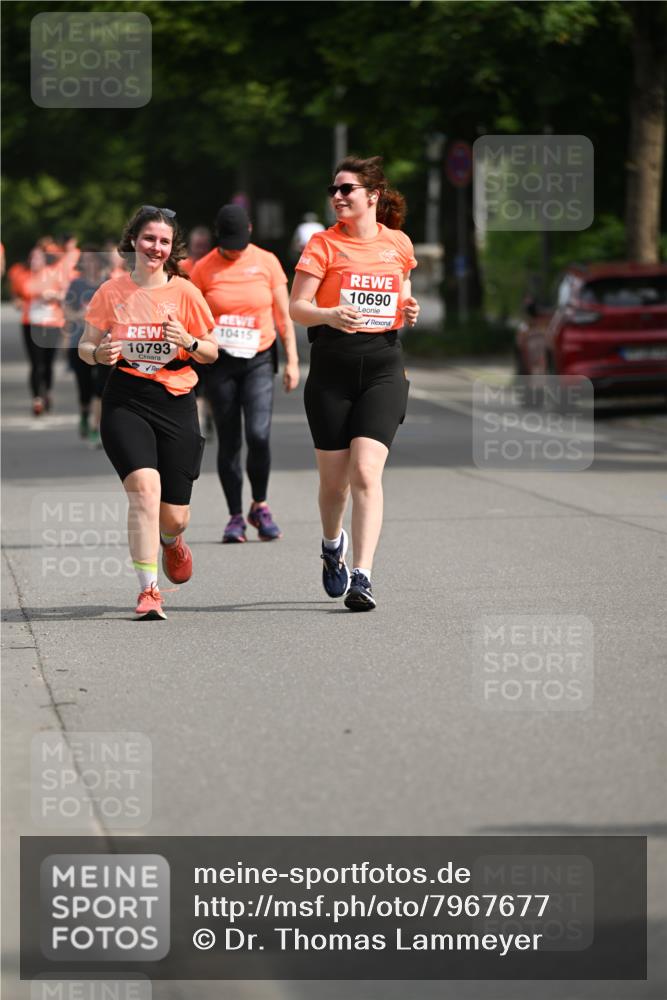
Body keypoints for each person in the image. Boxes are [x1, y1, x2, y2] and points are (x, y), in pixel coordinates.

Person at [289, 155, 420, 612]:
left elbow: (401, 293)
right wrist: (329, 314)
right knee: (335, 484)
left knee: (366, 472)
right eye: (334, 190)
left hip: (383, 364)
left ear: (372, 195)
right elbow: (296, 307)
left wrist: (409, 307)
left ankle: (362, 576)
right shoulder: (323, 246)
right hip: (332, 369)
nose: (338, 197)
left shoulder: (398, 244)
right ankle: (331, 546)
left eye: (347, 189)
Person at [79, 206, 218, 620]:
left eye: (162, 241)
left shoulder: (186, 292)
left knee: (174, 517)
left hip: (175, 400)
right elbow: (87, 346)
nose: (155, 247)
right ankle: (149, 590)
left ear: (170, 247)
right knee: (143, 491)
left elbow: (211, 352)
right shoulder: (112, 292)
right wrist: (98, 353)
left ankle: (172, 542)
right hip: (126, 399)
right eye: (148, 239)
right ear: (133, 241)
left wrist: (188, 341)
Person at [191, 204, 299, 542]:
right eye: (227, 244)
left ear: (250, 230)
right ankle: (235, 516)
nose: (233, 250)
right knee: (229, 440)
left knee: (259, 434)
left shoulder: (266, 262)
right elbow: (191, 316)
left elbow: (283, 315)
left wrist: (293, 361)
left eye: (239, 243)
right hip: (220, 363)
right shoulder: (203, 268)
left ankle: (260, 505)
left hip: (258, 359)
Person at [24, 242, 79, 415]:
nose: (35, 260)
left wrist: (55, 295)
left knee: (48, 363)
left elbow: (66, 293)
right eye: (33, 257)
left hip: (53, 322)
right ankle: (37, 399)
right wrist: (41, 292)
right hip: (31, 322)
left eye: (38, 257)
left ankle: (46, 391)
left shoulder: (54, 274)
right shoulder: (26, 275)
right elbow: (24, 290)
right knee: (35, 363)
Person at [64, 248, 109, 444]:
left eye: (93, 260)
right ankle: (84, 414)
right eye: (86, 260)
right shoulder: (76, 284)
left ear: (100, 262)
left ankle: (95, 427)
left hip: (104, 343)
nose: (89, 264)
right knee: (85, 388)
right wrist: (80, 317)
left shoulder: (108, 284)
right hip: (79, 343)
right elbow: (66, 311)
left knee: (101, 387)